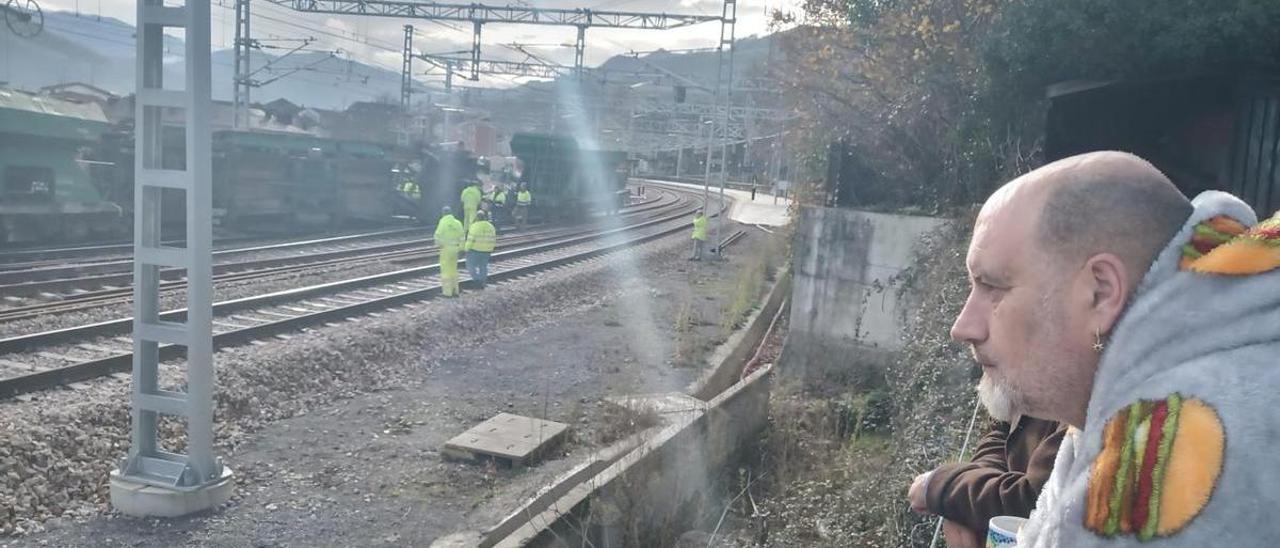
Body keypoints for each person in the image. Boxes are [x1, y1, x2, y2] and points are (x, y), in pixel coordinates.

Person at [950, 150, 1280, 547]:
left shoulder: (1164, 464)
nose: (962, 327)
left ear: (1100, 292)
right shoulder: (1217, 376)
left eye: (993, 287)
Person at [908, 417, 1066, 546]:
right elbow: (999, 433)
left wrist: (942, 486)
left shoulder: (1079, 406)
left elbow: (1040, 498)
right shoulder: (1025, 387)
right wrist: (968, 507)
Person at [433, 206, 464, 297]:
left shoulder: (443, 222)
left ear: (443, 213)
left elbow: (437, 235)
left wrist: (438, 245)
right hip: (455, 249)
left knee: (446, 271)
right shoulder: (458, 223)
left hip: (446, 249)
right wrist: (461, 249)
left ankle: (447, 293)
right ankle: (455, 291)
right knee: (454, 270)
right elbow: (462, 237)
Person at [465, 210, 497, 289]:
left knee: (470, 265)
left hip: (475, 249)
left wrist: (466, 249)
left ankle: (477, 280)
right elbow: (493, 238)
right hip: (487, 250)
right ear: (485, 218)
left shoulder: (474, 226)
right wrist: (491, 248)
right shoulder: (491, 226)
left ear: (477, 218)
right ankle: (482, 281)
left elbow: (470, 239)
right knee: (483, 266)